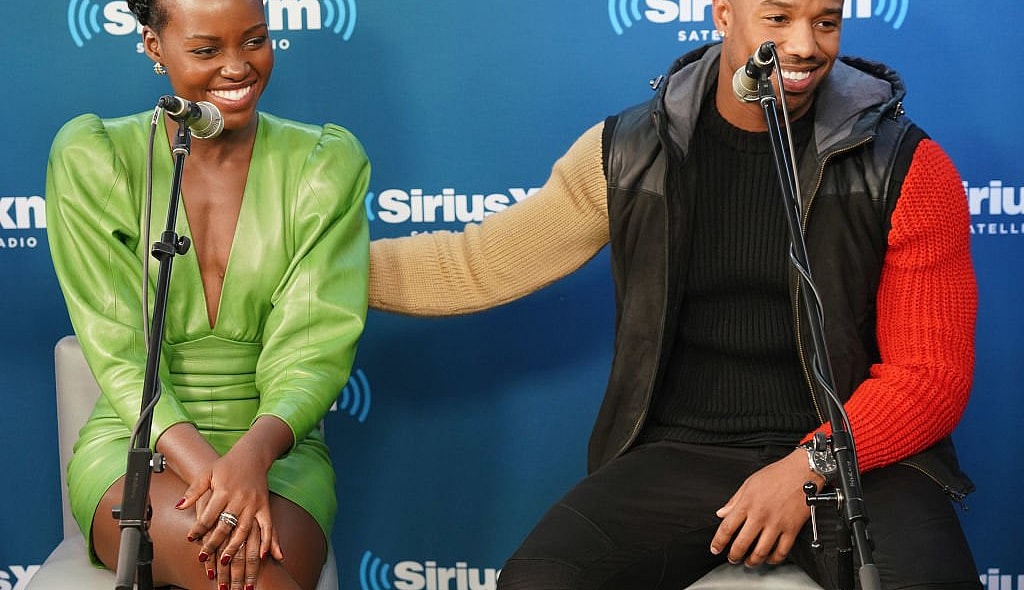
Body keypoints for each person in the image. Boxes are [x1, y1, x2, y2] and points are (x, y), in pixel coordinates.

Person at [368, 0, 981, 588]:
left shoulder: (906, 166)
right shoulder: (629, 151)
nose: (804, 44)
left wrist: (808, 468)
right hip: (684, 451)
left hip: (854, 457)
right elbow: (480, 263)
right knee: (538, 579)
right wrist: (307, 273)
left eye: (826, 22)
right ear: (723, 14)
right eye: (779, 17)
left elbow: (929, 377)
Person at [45, 0, 370, 588]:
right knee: (235, 571)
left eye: (254, 40)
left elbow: (313, 344)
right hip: (138, 450)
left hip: (277, 452)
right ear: (153, 46)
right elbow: (117, 347)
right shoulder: (94, 158)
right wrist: (217, 480)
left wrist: (251, 459)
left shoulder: (324, 164)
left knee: (250, 570)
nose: (238, 66)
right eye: (205, 50)